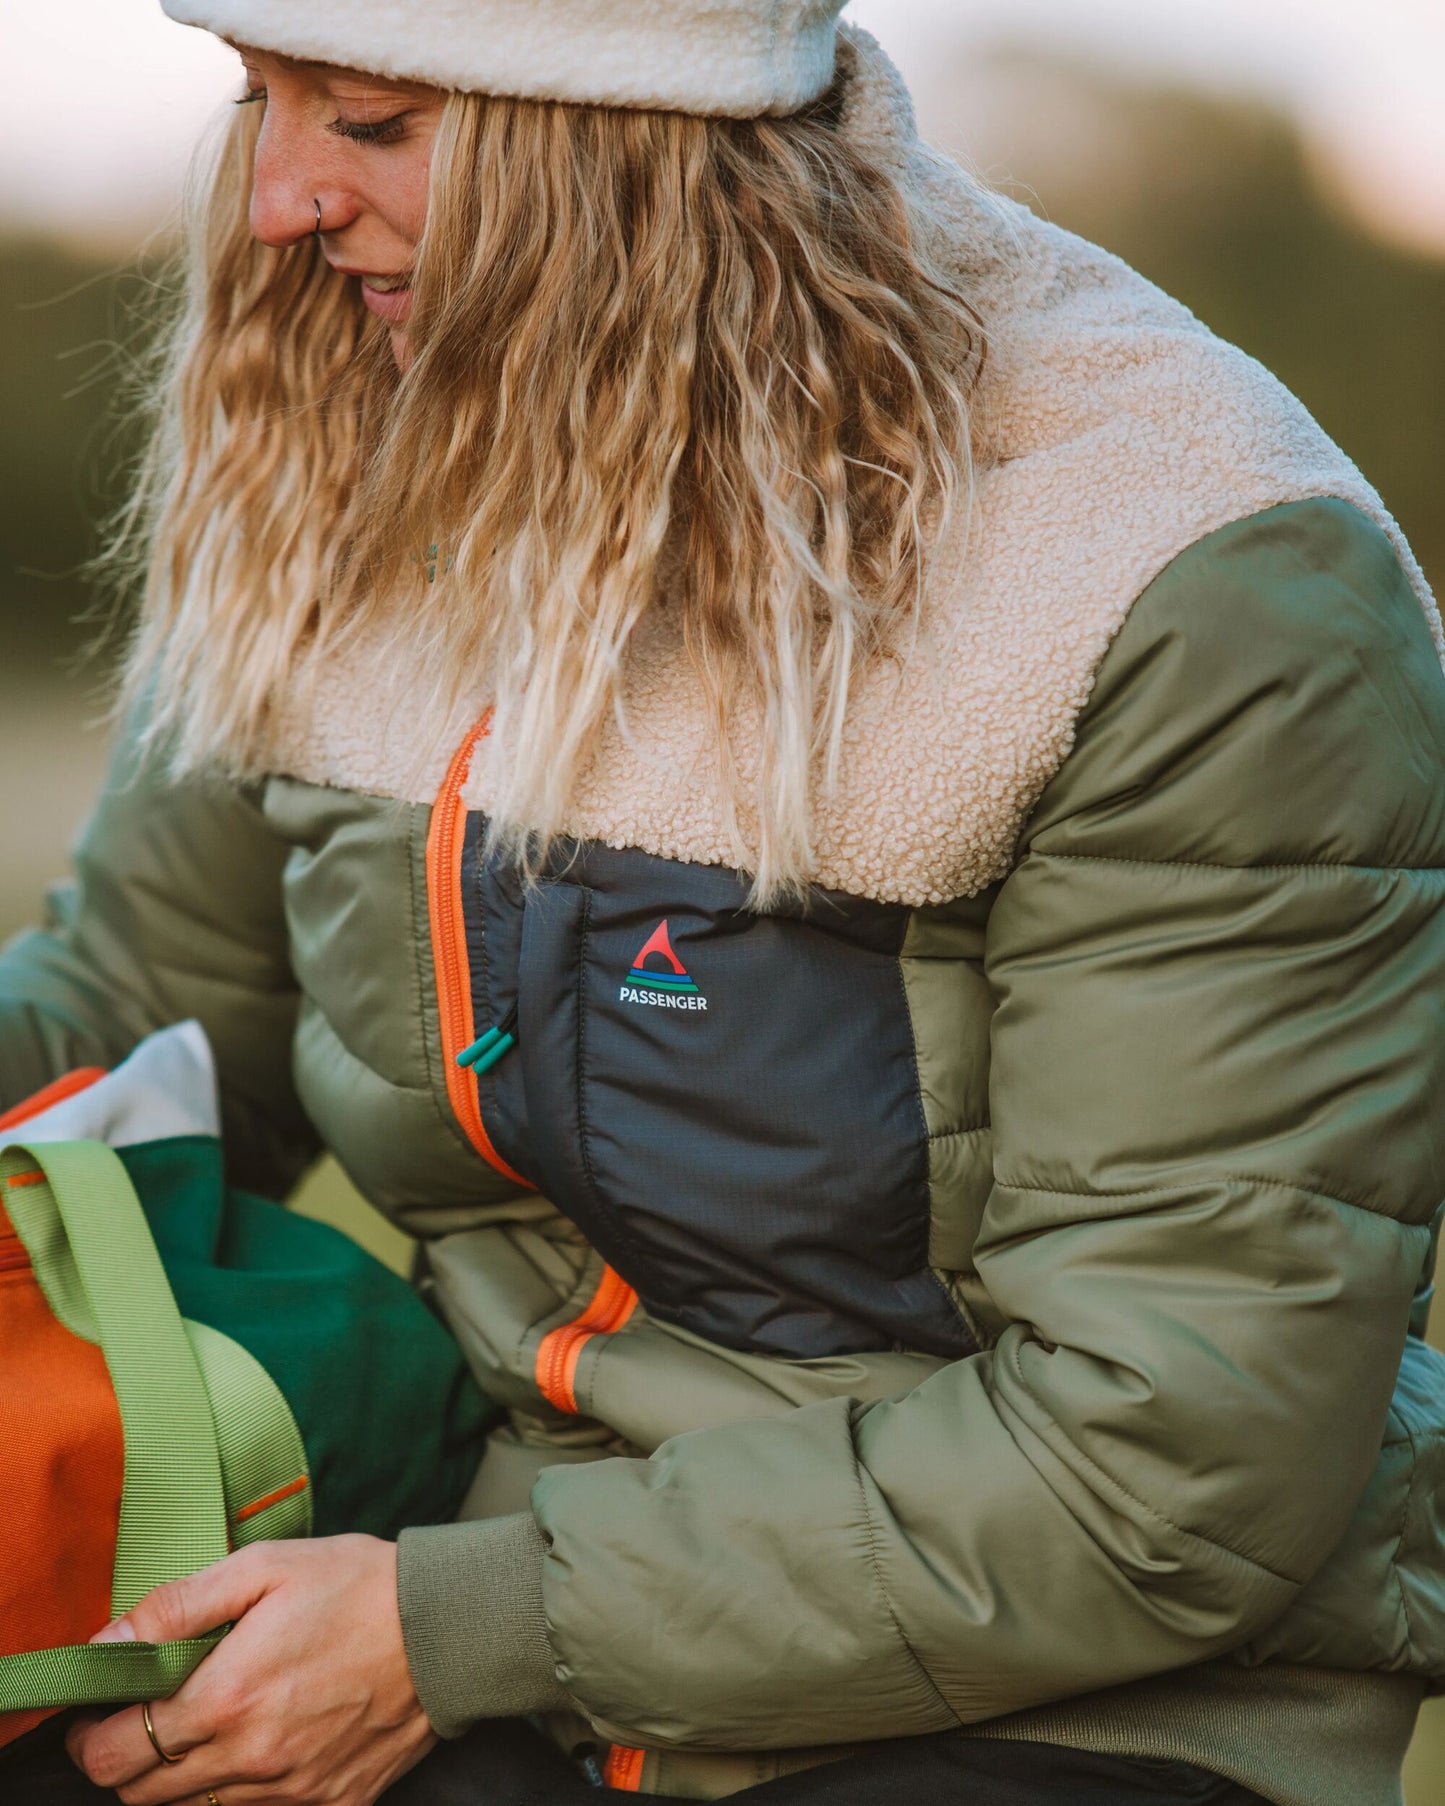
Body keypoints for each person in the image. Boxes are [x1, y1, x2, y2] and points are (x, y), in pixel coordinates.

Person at [4, 2, 1444, 1803]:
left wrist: (458, 1627)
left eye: (368, 120)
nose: (276, 197)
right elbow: (130, 1019)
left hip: (1068, 1697)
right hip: (463, 1597)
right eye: (257, 97)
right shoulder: (341, 446)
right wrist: (447, 1620)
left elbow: (1169, 1461)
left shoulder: (1176, 564)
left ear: (629, 126)